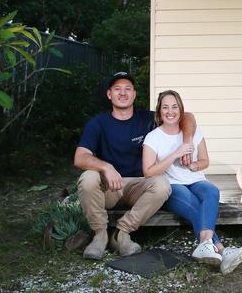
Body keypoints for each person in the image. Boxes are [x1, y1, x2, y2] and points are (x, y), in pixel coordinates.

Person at [74, 72, 196, 260]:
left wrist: (187, 143)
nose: (123, 93)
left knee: (162, 185)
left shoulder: (147, 119)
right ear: (109, 94)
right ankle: (100, 235)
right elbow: (80, 157)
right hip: (109, 187)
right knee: (88, 178)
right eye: (117, 89)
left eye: (127, 89)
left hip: (140, 186)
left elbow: (186, 116)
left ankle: (121, 233)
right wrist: (106, 167)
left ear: (134, 94)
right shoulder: (98, 123)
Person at [143, 89, 242, 275]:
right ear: (159, 111)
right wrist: (175, 154)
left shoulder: (193, 131)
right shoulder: (153, 137)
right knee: (195, 204)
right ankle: (222, 250)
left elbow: (205, 161)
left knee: (212, 191)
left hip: (195, 180)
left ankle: (205, 245)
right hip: (172, 185)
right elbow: (148, 172)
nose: (170, 111)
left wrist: (194, 166)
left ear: (180, 109)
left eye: (174, 107)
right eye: (165, 107)